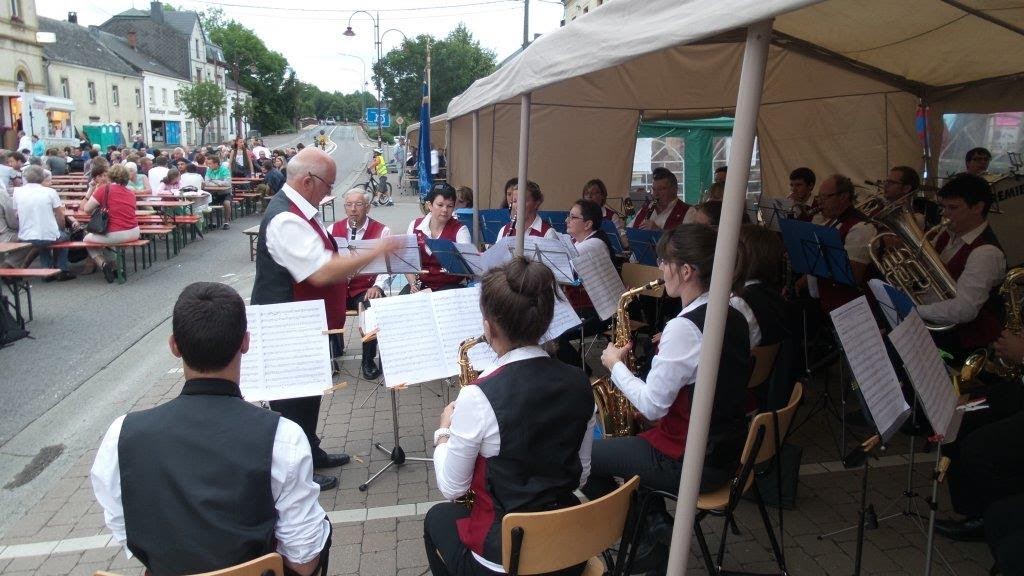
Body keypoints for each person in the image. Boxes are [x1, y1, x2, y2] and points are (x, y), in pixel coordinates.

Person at [91, 282, 331, 576]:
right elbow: (303, 562)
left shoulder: (121, 435)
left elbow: (126, 530)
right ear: (245, 342)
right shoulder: (284, 437)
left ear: (174, 346)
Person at [584, 224, 750, 572]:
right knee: (625, 444)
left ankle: (645, 539)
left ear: (686, 270)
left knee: (581, 457)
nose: (660, 270)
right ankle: (656, 524)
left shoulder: (685, 328)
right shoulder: (733, 313)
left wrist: (614, 365)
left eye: (664, 262)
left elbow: (652, 405)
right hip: (726, 450)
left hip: (691, 461)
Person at [424, 257, 596, 576]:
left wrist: (444, 432)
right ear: (545, 323)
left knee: (436, 518)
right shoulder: (580, 382)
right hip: (569, 553)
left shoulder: (479, 395)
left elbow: (452, 487)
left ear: (488, 328)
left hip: (505, 559)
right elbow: (581, 475)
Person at [251, 147, 400, 491]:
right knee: (292, 399)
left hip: (303, 320)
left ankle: (310, 450)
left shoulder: (300, 210)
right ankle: (296, 471)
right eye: (328, 185)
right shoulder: (286, 217)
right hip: (286, 323)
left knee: (310, 392)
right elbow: (321, 271)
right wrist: (376, 251)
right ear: (306, 181)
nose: (330, 193)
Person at [917, 174, 1006, 363]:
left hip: (963, 345)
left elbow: (965, 309)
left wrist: (915, 311)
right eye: (943, 207)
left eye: (953, 208)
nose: (944, 214)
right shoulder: (946, 234)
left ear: (977, 208)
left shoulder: (986, 253)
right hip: (934, 325)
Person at [329, 188, 392, 380]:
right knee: (320, 302)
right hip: (339, 286)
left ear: (368, 207)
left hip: (365, 287)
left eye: (358, 204)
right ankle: (331, 356)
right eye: (349, 205)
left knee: (370, 305)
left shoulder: (383, 231)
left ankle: (367, 359)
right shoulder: (332, 229)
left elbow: (388, 267)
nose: (353, 209)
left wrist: (378, 286)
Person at [556, 199, 616, 371]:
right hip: (586, 306)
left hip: (602, 312)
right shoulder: (577, 242)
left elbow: (561, 265)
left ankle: (584, 375)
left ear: (588, 224)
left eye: (573, 217)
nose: (567, 220)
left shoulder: (595, 243)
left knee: (553, 333)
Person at [807, 174, 876, 312]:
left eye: (825, 197)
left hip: (852, 309)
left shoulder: (861, 227)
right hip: (831, 304)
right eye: (819, 197)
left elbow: (853, 275)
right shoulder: (832, 221)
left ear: (844, 197)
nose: (820, 202)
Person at [79, 164, 141, 283]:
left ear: (110, 176)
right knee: (107, 237)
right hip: (134, 231)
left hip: (116, 233)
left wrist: (90, 191)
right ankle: (116, 267)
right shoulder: (130, 192)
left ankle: (103, 264)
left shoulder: (104, 190)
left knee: (87, 239)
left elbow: (86, 209)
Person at [13, 165, 74, 281]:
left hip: (25, 235)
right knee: (63, 237)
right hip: (46, 234)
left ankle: (47, 270)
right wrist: (61, 228)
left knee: (42, 240)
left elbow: (17, 215)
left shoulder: (18, 192)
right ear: (41, 178)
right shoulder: (50, 192)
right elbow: (60, 216)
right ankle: (62, 270)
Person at [406, 185, 472, 292]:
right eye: (440, 205)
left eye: (450, 206)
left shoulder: (461, 230)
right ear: (429, 205)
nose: (445, 210)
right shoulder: (414, 225)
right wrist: (413, 284)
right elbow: (407, 263)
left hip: (451, 286)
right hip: (421, 286)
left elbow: (466, 266)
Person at [205, 154, 234, 230]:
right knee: (205, 203)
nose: (209, 165)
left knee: (226, 203)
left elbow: (227, 182)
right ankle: (211, 222)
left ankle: (226, 222)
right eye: (208, 164)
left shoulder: (224, 169)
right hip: (214, 193)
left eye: (210, 164)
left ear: (216, 163)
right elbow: (206, 182)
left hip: (225, 193)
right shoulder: (209, 170)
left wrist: (214, 181)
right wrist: (219, 183)